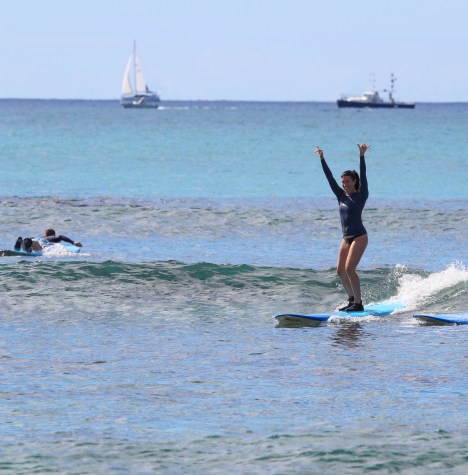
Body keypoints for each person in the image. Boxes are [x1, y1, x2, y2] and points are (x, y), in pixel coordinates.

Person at [315, 144, 371, 312]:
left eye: (347, 181)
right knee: (340, 271)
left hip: (360, 236)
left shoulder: (361, 195)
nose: (344, 184)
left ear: (354, 181)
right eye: (343, 182)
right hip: (346, 237)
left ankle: (359, 304)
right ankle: (352, 300)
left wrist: (361, 156)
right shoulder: (340, 195)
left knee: (350, 269)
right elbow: (329, 177)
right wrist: (322, 159)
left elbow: (364, 174)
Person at [14, 229, 82, 253]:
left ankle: (21, 243)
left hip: (32, 239)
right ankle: (27, 247)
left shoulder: (40, 237)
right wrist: (73, 242)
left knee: (31, 243)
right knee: (39, 246)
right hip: (41, 242)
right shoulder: (50, 238)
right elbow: (60, 236)